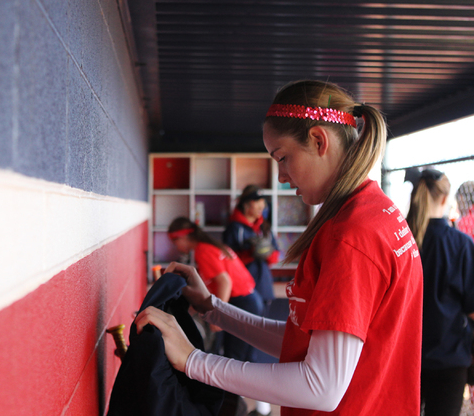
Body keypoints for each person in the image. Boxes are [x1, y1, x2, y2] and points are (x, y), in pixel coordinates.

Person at [136, 80, 423, 415]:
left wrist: (192, 360)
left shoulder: (351, 235)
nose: (281, 175)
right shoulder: (375, 213)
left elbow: (321, 387)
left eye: (283, 157)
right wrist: (212, 307)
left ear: (318, 140)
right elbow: (302, 343)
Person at [167, 217, 272, 415]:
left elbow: (225, 282)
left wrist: (218, 315)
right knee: (246, 359)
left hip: (243, 302)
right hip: (251, 299)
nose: (175, 246)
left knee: (235, 362)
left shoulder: (203, 250)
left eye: (174, 241)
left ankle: (235, 409)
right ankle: (262, 410)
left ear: (183, 238)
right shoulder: (211, 246)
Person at [406, 169, 474, 416]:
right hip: (450, 360)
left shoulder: (403, 241)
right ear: (445, 199)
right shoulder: (461, 244)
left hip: (405, 357)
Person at [223, 185, 279, 314]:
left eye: (263, 202)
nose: (261, 206)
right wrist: (251, 253)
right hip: (243, 291)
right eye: (256, 201)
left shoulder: (265, 228)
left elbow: (276, 256)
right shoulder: (234, 229)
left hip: (264, 286)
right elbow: (227, 262)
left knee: (264, 330)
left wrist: (266, 253)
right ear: (246, 204)